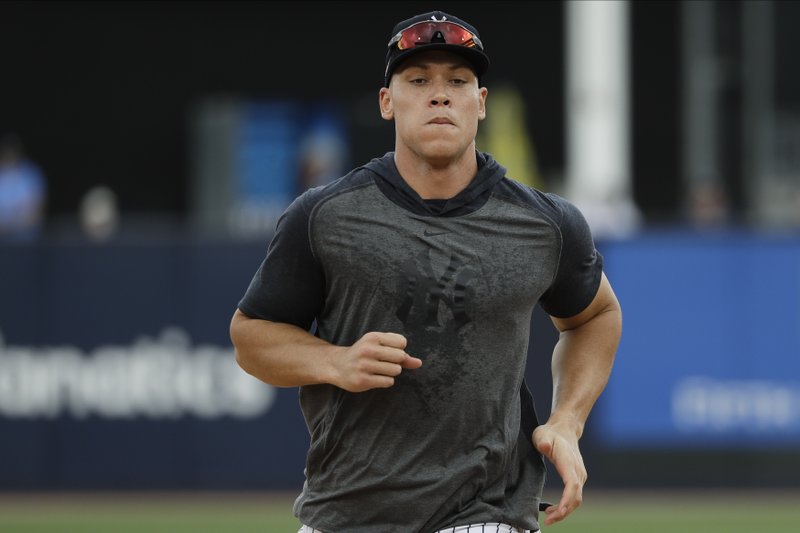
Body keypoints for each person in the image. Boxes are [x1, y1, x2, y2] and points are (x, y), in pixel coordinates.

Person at [230, 10, 622, 533]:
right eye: (419, 81)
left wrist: (568, 420)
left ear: (480, 104)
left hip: (486, 511)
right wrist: (335, 361)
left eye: (458, 82)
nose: (440, 95)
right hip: (343, 511)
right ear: (387, 102)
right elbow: (250, 338)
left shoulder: (544, 223)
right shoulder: (325, 215)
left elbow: (596, 315)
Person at [0, 133, 47, 241]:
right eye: (5, 152)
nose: (9, 155)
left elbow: (38, 210)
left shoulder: (31, 174)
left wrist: (13, 226)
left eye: (12, 151)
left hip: (25, 240)